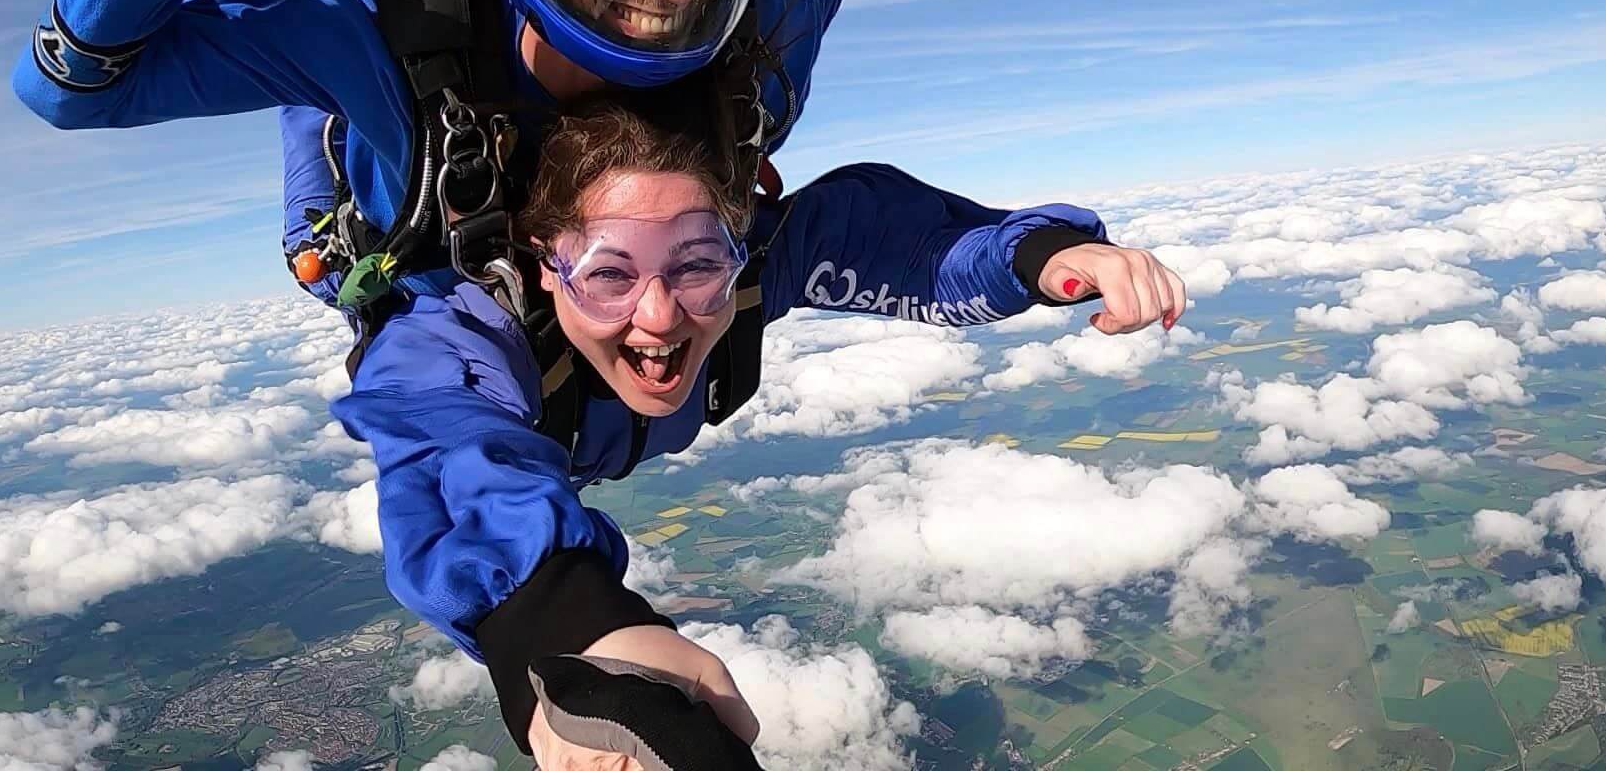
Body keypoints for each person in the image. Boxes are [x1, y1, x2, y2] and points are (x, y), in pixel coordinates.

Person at [14, 0, 1045, 757]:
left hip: (564, 267)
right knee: (352, 268)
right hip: (414, 207)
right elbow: (74, 87)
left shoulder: (759, 9)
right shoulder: (383, 28)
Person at [354, 92, 1187, 764]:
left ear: (737, 251)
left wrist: (1038, 256)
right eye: (609, 274)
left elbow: (890, 238)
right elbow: (444, 442)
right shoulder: (461, 335)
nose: (660, 314)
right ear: (544, 264)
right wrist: (566, 628)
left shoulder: (755, 272)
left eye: (698, 265)